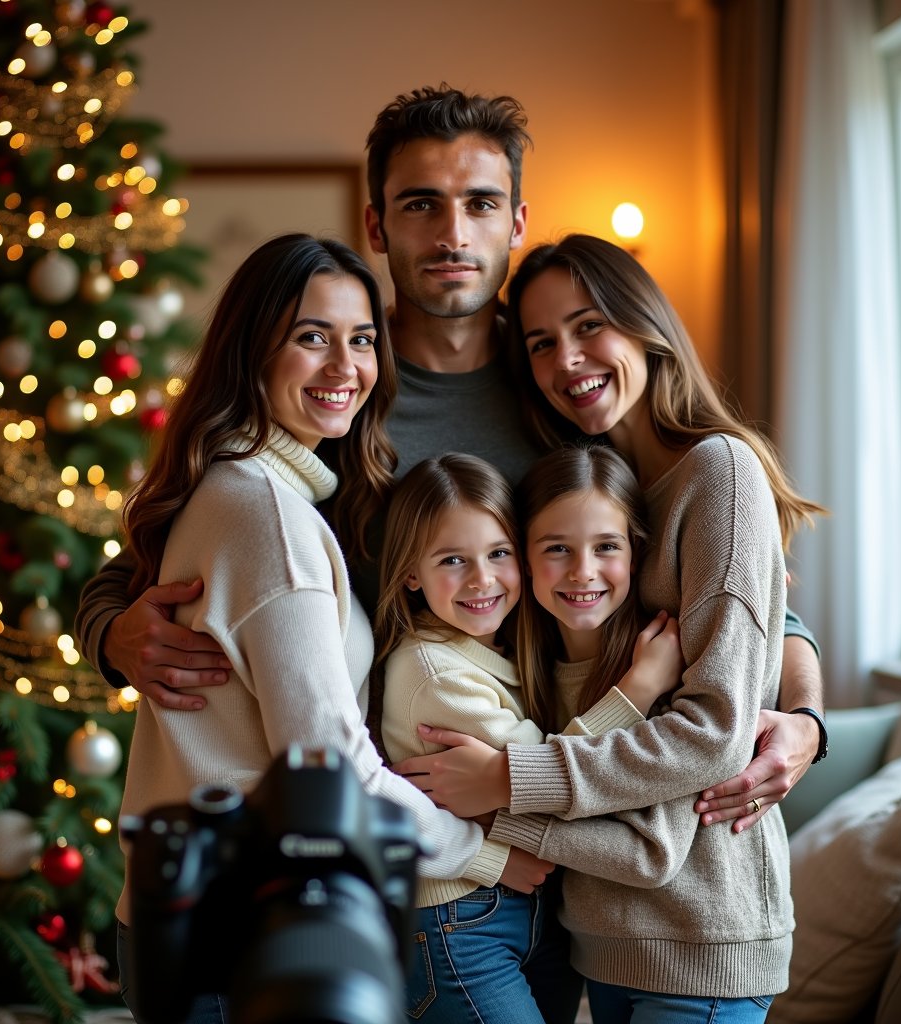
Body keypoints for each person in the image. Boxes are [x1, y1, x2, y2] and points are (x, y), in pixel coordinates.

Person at [75, 85, 825, 834]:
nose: (452, 235)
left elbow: (736, 590)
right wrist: (110, 632)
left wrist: (804, 718)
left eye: (481, 204)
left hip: (563, 816)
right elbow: (170, 545)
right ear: (377, 223)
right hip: (391, 827)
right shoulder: (339, 387)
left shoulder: (568, 387)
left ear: (517, 222)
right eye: (421, 205)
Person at [111, 235, 550, 1024]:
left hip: (214, 923)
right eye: (312, 337)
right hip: (240, 940)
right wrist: (480, 853)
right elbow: (331, 766)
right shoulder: (267, 519)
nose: (345, 367)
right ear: (252, 352)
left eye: (361, 339)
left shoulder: (250, 490)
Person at [392, 235, 827, 1022]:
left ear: (644, 326)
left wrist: (503, 789)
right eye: (541, 343)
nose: (568, 358)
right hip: (605, 931)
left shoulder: (717, 472)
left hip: (701, 931)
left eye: (589, 326)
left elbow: (717, 728)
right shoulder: (595, 487)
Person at [375, 452, 682, 1024]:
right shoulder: (435, 673)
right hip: (459, 919)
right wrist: (637, 692)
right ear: (411, 573)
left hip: (519, 911)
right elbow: (547, 776)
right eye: (451, 560)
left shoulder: (498, 651)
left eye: (498, 554)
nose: (482, 579)